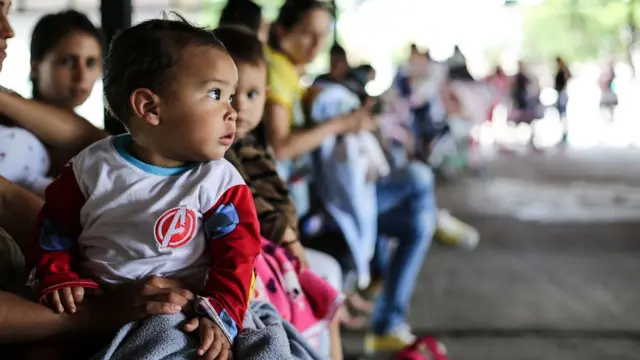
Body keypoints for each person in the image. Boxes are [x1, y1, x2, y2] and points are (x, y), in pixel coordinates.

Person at [25, 17, 261, 359]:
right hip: (99, 311)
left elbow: (239, 259)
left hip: (186, 315)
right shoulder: (91, 169)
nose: (233, 111)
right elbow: (54, 228)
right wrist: (58, 275)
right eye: (215, 94)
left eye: (231, 95)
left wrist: (220, 312)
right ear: (150, 107)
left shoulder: (220, 183)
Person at [265, 0, 437, 353]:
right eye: (306, 35)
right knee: (418, 180)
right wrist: (343, 123)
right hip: (312, 207)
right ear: (282, 31)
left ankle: (385, 312)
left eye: (322, 36)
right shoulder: (276, 72)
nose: (315, 45)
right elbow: (281, 146)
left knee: (420, 221)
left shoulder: (294, 75)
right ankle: (377, 283)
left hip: (314, 197)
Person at [213, 26, 344, 359]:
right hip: (249, 253)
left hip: (277, 246)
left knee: (327, 273)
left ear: (267, 94)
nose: (240, 105)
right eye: (227, 95)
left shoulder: (252, 148)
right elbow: (238, 201)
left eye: (252, 95)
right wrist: (284, 234)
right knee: (318, 279)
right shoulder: (215, 151)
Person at [0, 10, 105, 195]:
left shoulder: (95, 140)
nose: (81, 75)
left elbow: (84, 134)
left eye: (91, 63)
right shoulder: (7, 122)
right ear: (35, 66)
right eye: (67, 61)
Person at [554, 56, 571, 146]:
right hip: (561, 94)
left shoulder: (562, 71)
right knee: (562, 115)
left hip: (562, 94)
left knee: (563, 115)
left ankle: (565, 135)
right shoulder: (562, 71)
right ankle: (563, 135)